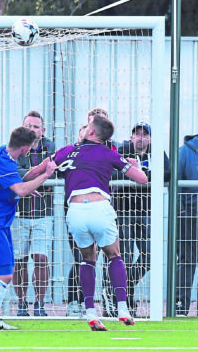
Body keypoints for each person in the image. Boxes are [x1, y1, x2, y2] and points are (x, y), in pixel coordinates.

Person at [50, 114, 147, 330]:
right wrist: (134, 164)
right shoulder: (108, 152)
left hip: (75, 211)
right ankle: (122, 308)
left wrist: (32, 178)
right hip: (99, 208)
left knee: (87, 260)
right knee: (114, 256)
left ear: (91, 131)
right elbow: (142, 179)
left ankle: (91, 313)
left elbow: (38, 171)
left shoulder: (69, 150)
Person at [0, 126, 57, 330]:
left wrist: (37, 173)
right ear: (25, 148)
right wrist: (46, 174)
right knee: (5, 274)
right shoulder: (4, 163)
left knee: (4, 270)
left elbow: (18, 183)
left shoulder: (2, 151)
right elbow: (21, 189)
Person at [111, 122, 169, 316]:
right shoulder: (122, 150)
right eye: (136, 134)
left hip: (146, 210)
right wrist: (137, 175)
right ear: (132, 136)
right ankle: (124, 303)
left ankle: (127, 284)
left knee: (149, 256)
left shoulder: (157, 153)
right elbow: (113, 171)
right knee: (124, 257)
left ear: (150, 138)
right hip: (123, 210)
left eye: (144, 134)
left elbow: (166, 174)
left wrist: (141, 174)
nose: (140, 137)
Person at [12, 110, 55, 317]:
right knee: (19, 260)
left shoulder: (50, 147)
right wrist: (37, 175)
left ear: (42, 130)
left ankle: (39, 304)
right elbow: (17, 172)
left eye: (35, 126)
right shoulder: (15, 146)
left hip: (43, 211)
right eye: (28, 125)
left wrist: (31, 178)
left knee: (40, 257)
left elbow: (56, 168)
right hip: (18, 212)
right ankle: (21, 304)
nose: (32, 129)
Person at [175, 132, 198, 316]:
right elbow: (176, 181)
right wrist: (180, 209)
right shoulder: (185, 151)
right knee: (187, 259)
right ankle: (181, 306)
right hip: (189, 212)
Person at [66, 124, 87, 317]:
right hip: (74, 211)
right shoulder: (69, 151)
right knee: (80, 258)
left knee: (97, 260)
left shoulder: (108, 151)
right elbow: (57, 169)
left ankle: (92, 303)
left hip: (102, 212)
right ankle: (74, 301)